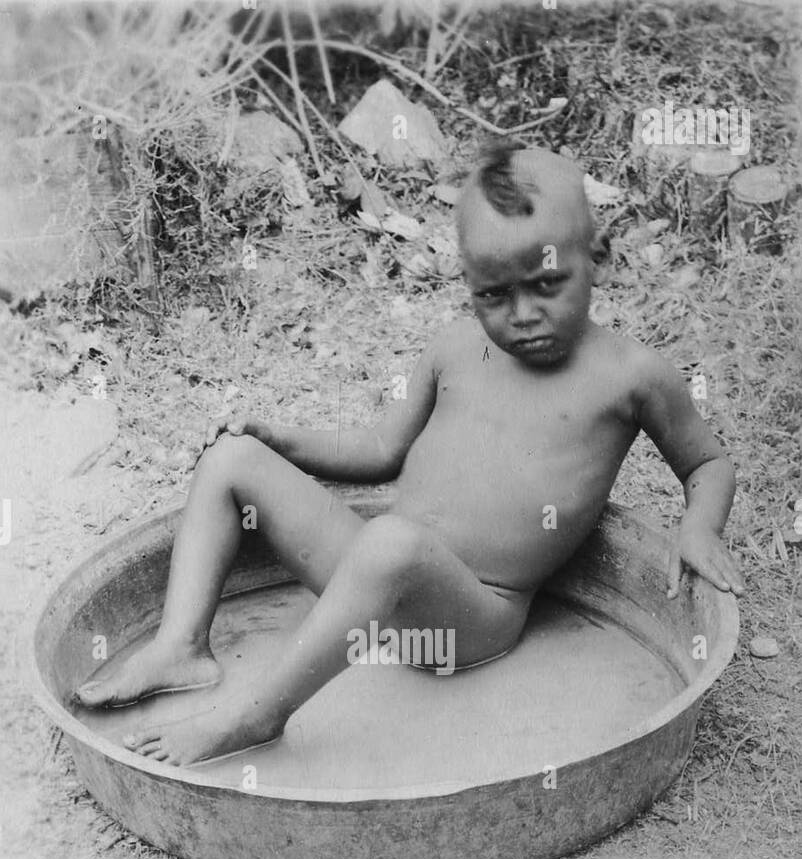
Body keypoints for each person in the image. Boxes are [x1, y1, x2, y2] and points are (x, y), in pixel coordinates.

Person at [76, 144, 743, 765]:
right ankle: (179, 646)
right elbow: (379, 451)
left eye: (547, 284)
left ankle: (256, 716)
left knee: (391, 543)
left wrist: (699, 524)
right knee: (232, 461)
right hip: (370, 582)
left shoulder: (632, 376)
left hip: (469, 616)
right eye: (493, 295)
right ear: (467, 284)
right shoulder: (453, 349)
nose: (523, 314)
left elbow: (707, 462)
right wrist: (281, 441)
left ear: (592, 254)